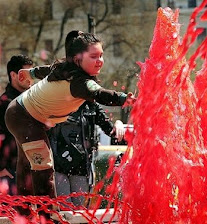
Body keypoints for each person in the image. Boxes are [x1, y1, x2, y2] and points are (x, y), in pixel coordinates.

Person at [5, 31, 134, 218]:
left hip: (22, 113)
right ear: (77, 59)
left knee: (26, 164)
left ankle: (24, 211)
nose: (100, 61)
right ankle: (46, 215)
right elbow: (100, 94)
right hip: (23, 118)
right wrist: (125, 99)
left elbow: (45, 69)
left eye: (101, 55)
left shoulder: (65, 69)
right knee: (43, 164)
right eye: (94, 56)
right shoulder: (79, 82)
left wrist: (31, 73)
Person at [49, 101, 125, 207]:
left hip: (81, 167)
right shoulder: (56, 99)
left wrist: (118, 124)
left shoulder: (91, 105)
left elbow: (111, 130)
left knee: (79, 211)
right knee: (64, 210)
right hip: (58, 166)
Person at [0, 55, 34, 195]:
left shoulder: (34, 100)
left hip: (32, 169)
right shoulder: (4, 103)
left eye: (32, 73)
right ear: (13, 75)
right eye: (25, 74)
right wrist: (2, 167)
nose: (30, 78)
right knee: (11, 216)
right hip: (11, 172)